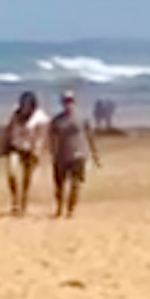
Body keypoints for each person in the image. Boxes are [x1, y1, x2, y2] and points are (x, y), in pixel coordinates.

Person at [47, 90, 92, 219]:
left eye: (70, 101)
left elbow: (89, 135)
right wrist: (52, 152)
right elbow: (51, 137)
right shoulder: (57, 120)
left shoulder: (82, 118)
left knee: (75, 184)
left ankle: (70, 209)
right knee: (59, 185)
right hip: (61, 156)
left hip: (78, 155)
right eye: (66, 101)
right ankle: (60, 207)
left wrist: (90, 153)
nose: (68, 104)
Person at [2, 90, 45, 216]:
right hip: (16, 147)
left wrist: (37, 150)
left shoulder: (40, 118)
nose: (25, 108)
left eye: (27, 105)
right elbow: (10, 129)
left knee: (27, 178)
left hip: (31, 150)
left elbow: (41, 137)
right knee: (12, 172)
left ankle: (24, 202)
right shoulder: (15, 114)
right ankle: (15, 199)